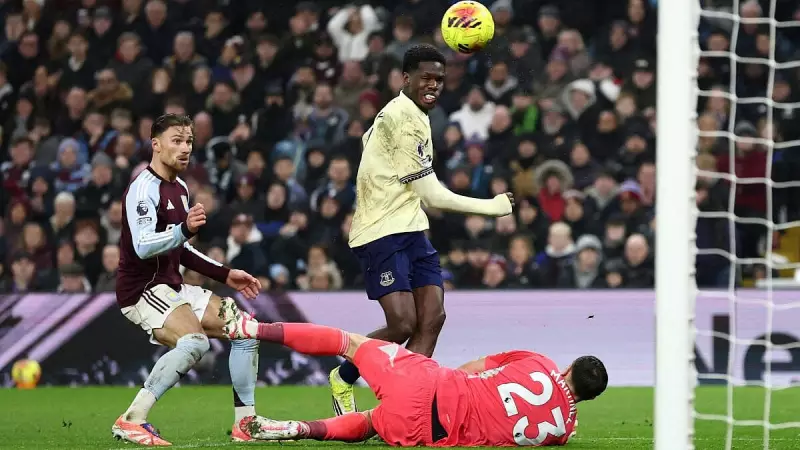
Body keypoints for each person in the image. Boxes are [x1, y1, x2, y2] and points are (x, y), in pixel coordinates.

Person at [329, 43, 515, 415]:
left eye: (439, 79)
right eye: (426, 78)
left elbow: (370, 141)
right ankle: (343, 375)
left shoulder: (409, 114)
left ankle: (404, 405)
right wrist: (492, 207)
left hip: (411, 230)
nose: (433, 85)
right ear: (406, 78)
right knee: (401, 324)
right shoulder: (402, 118)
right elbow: (432, 195)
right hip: (380, 232)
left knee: (432, 318)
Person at [111, 114, 266, 446]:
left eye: (189, 141)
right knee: (195, 343)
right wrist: (183, 229)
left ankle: (246, 424)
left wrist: (225, 274)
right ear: (156, 144)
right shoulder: (143, 188)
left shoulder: (179, 188)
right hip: (143, 289)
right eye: (176, 140)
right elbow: (142, 246)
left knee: (244, 328)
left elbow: (179, 248)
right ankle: (132, 419)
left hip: (172, 285)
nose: (185, 148)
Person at [236, 322, 608, 446]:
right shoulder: (562, 431)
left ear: (568, 366)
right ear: (587, 399)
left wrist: (439, 379)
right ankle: (304, 429)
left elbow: (478, 367)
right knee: (369, 424)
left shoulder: (539, 361)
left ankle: (255, 329)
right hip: (428, 432)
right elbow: (561, 426)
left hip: (427, 384)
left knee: (349, 343)